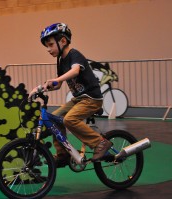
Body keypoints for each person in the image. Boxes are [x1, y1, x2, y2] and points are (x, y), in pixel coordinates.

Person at [29, 23, 112, 168]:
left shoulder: (74, 55)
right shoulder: (61, 61)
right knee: (53, 119)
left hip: (91, 98)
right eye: (46, 46)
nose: (48, 49)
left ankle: (100, 142)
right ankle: (63, 155)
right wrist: (40, 88)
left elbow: (75, 71)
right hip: (78, 99)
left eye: (50, 45)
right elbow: (58, 84)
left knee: (70, 119)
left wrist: (57, 79)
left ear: (63, 41)